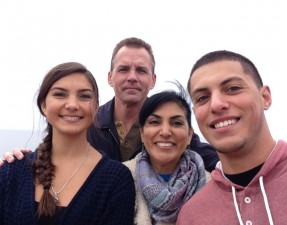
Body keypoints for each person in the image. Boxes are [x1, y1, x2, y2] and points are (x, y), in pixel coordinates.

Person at [0, 37, 219, 172]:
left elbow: (211, 158)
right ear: (110, 77)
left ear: (153, 80)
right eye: (123, 69)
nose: (132, 77)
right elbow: (56, 152)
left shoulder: (165, 126)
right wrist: (20, 159)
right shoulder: (86, 122)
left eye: (141, 70)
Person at [0, 62, 135, 224]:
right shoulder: (12, 171)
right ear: (43, 105)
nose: (72, 105)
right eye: (60, 94)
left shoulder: (116, 180)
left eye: (84, 96)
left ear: (96, 107)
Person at [177, 50, 287, 225]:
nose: (217, 104)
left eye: (233, 88)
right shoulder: (191, 216)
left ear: (265, 97)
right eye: (202, 97)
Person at [124, 82, 207, 225]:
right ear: (142, 134)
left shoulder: (209, 183)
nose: (165, 132)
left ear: (189, 135)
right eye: (155, 122)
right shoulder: (122, 178)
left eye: (177, 123)